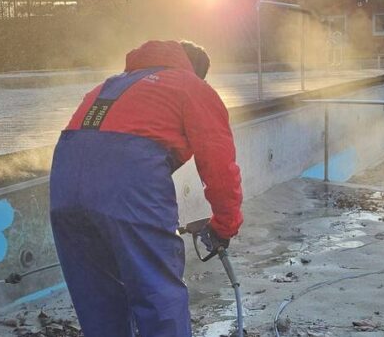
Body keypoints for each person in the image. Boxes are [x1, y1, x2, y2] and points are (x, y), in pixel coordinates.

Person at [49, 40, 243, 337]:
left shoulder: (110, 85)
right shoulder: (191, 86)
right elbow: (218, 163)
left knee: (98, 300)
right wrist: (225, 225)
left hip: (64, 185)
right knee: (158, 297)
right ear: (196, 71)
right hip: (126, 185)